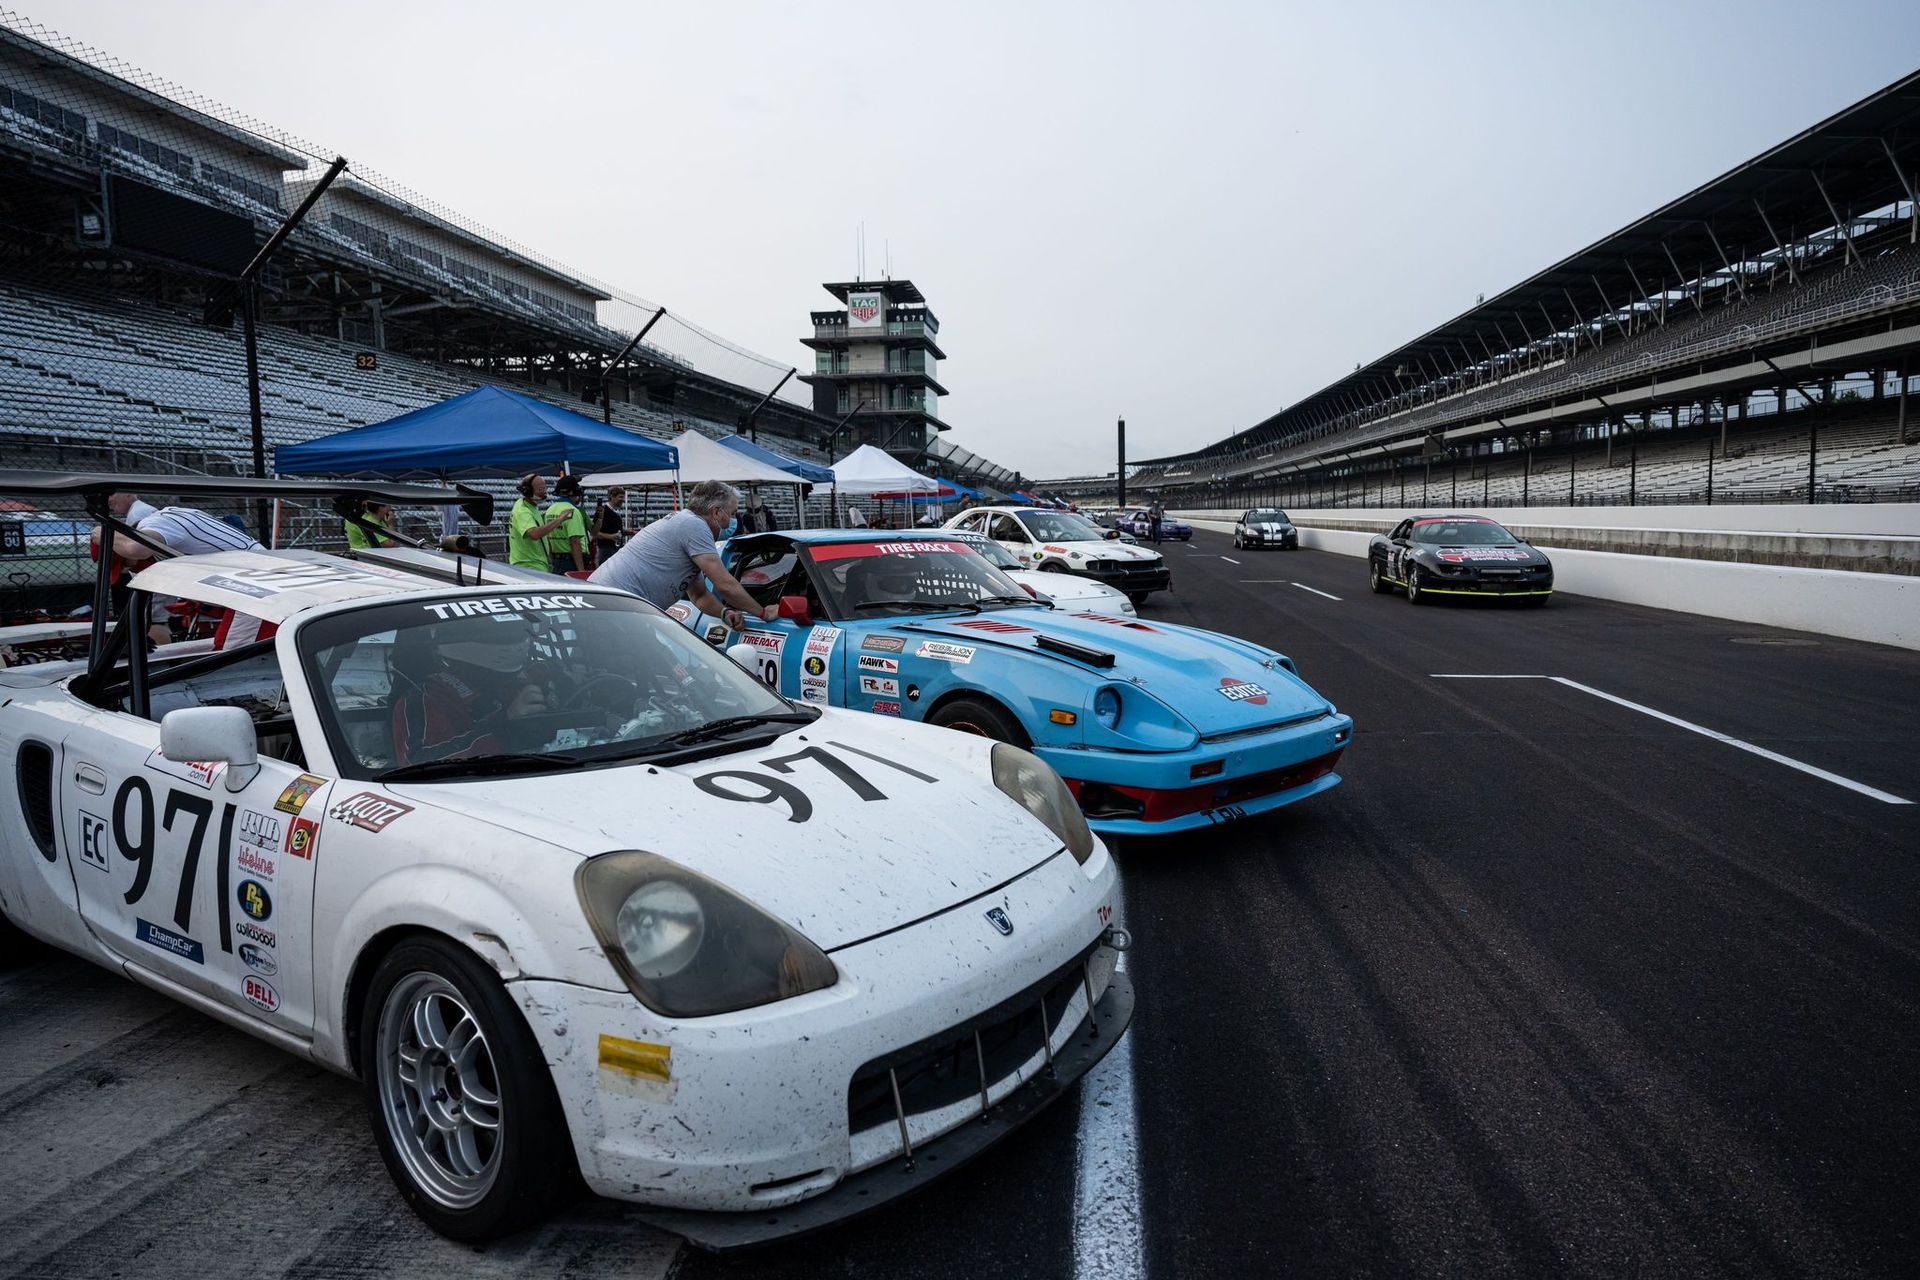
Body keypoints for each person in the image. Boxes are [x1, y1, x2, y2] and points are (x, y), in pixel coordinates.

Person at [590, 479, 777, 629]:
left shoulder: (686, 525)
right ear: (717, 512)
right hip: (614, 607)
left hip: (615, 606)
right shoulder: (694, 525)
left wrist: (724, 613)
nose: (734, 521)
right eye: (733, 513)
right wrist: (763, 613)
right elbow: (725, 585)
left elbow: (699, 595)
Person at [507, 474, 572, 572]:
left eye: (544, 488)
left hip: (534, 564)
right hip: (529, 566)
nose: (544, 493)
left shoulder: (530, 506)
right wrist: (560, 519)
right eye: (541, 490)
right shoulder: (523, 511)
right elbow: (534, 534)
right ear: (528, 491)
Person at [543, 474, 588, 575]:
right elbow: (575, 542)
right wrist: (581, 571)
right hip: (572, 563)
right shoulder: (573, 511)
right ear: (571, 492)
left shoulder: (550, 510)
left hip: (557, 561)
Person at [591, 486, 627, 567]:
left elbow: (614, 529)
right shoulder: (602, 511)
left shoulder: (614, 512)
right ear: (612, 497)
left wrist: (628, 531)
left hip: (613, 549)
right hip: (605, 550)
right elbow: (594, 533)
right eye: (620, 497)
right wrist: (611, 536)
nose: (623, 500)